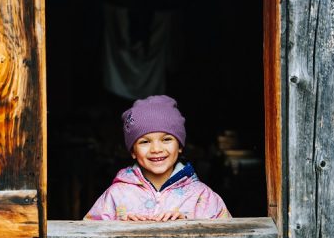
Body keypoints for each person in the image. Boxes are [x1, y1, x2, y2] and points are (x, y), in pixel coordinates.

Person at [85, 95, 230, 221]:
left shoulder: (201, 196)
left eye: (166, 139)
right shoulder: (116, 195)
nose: (156, 149)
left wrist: (188, 225)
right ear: (133, 151)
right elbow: (88, 235)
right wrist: (121, 227)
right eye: (145, 142)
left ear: (179, 146)